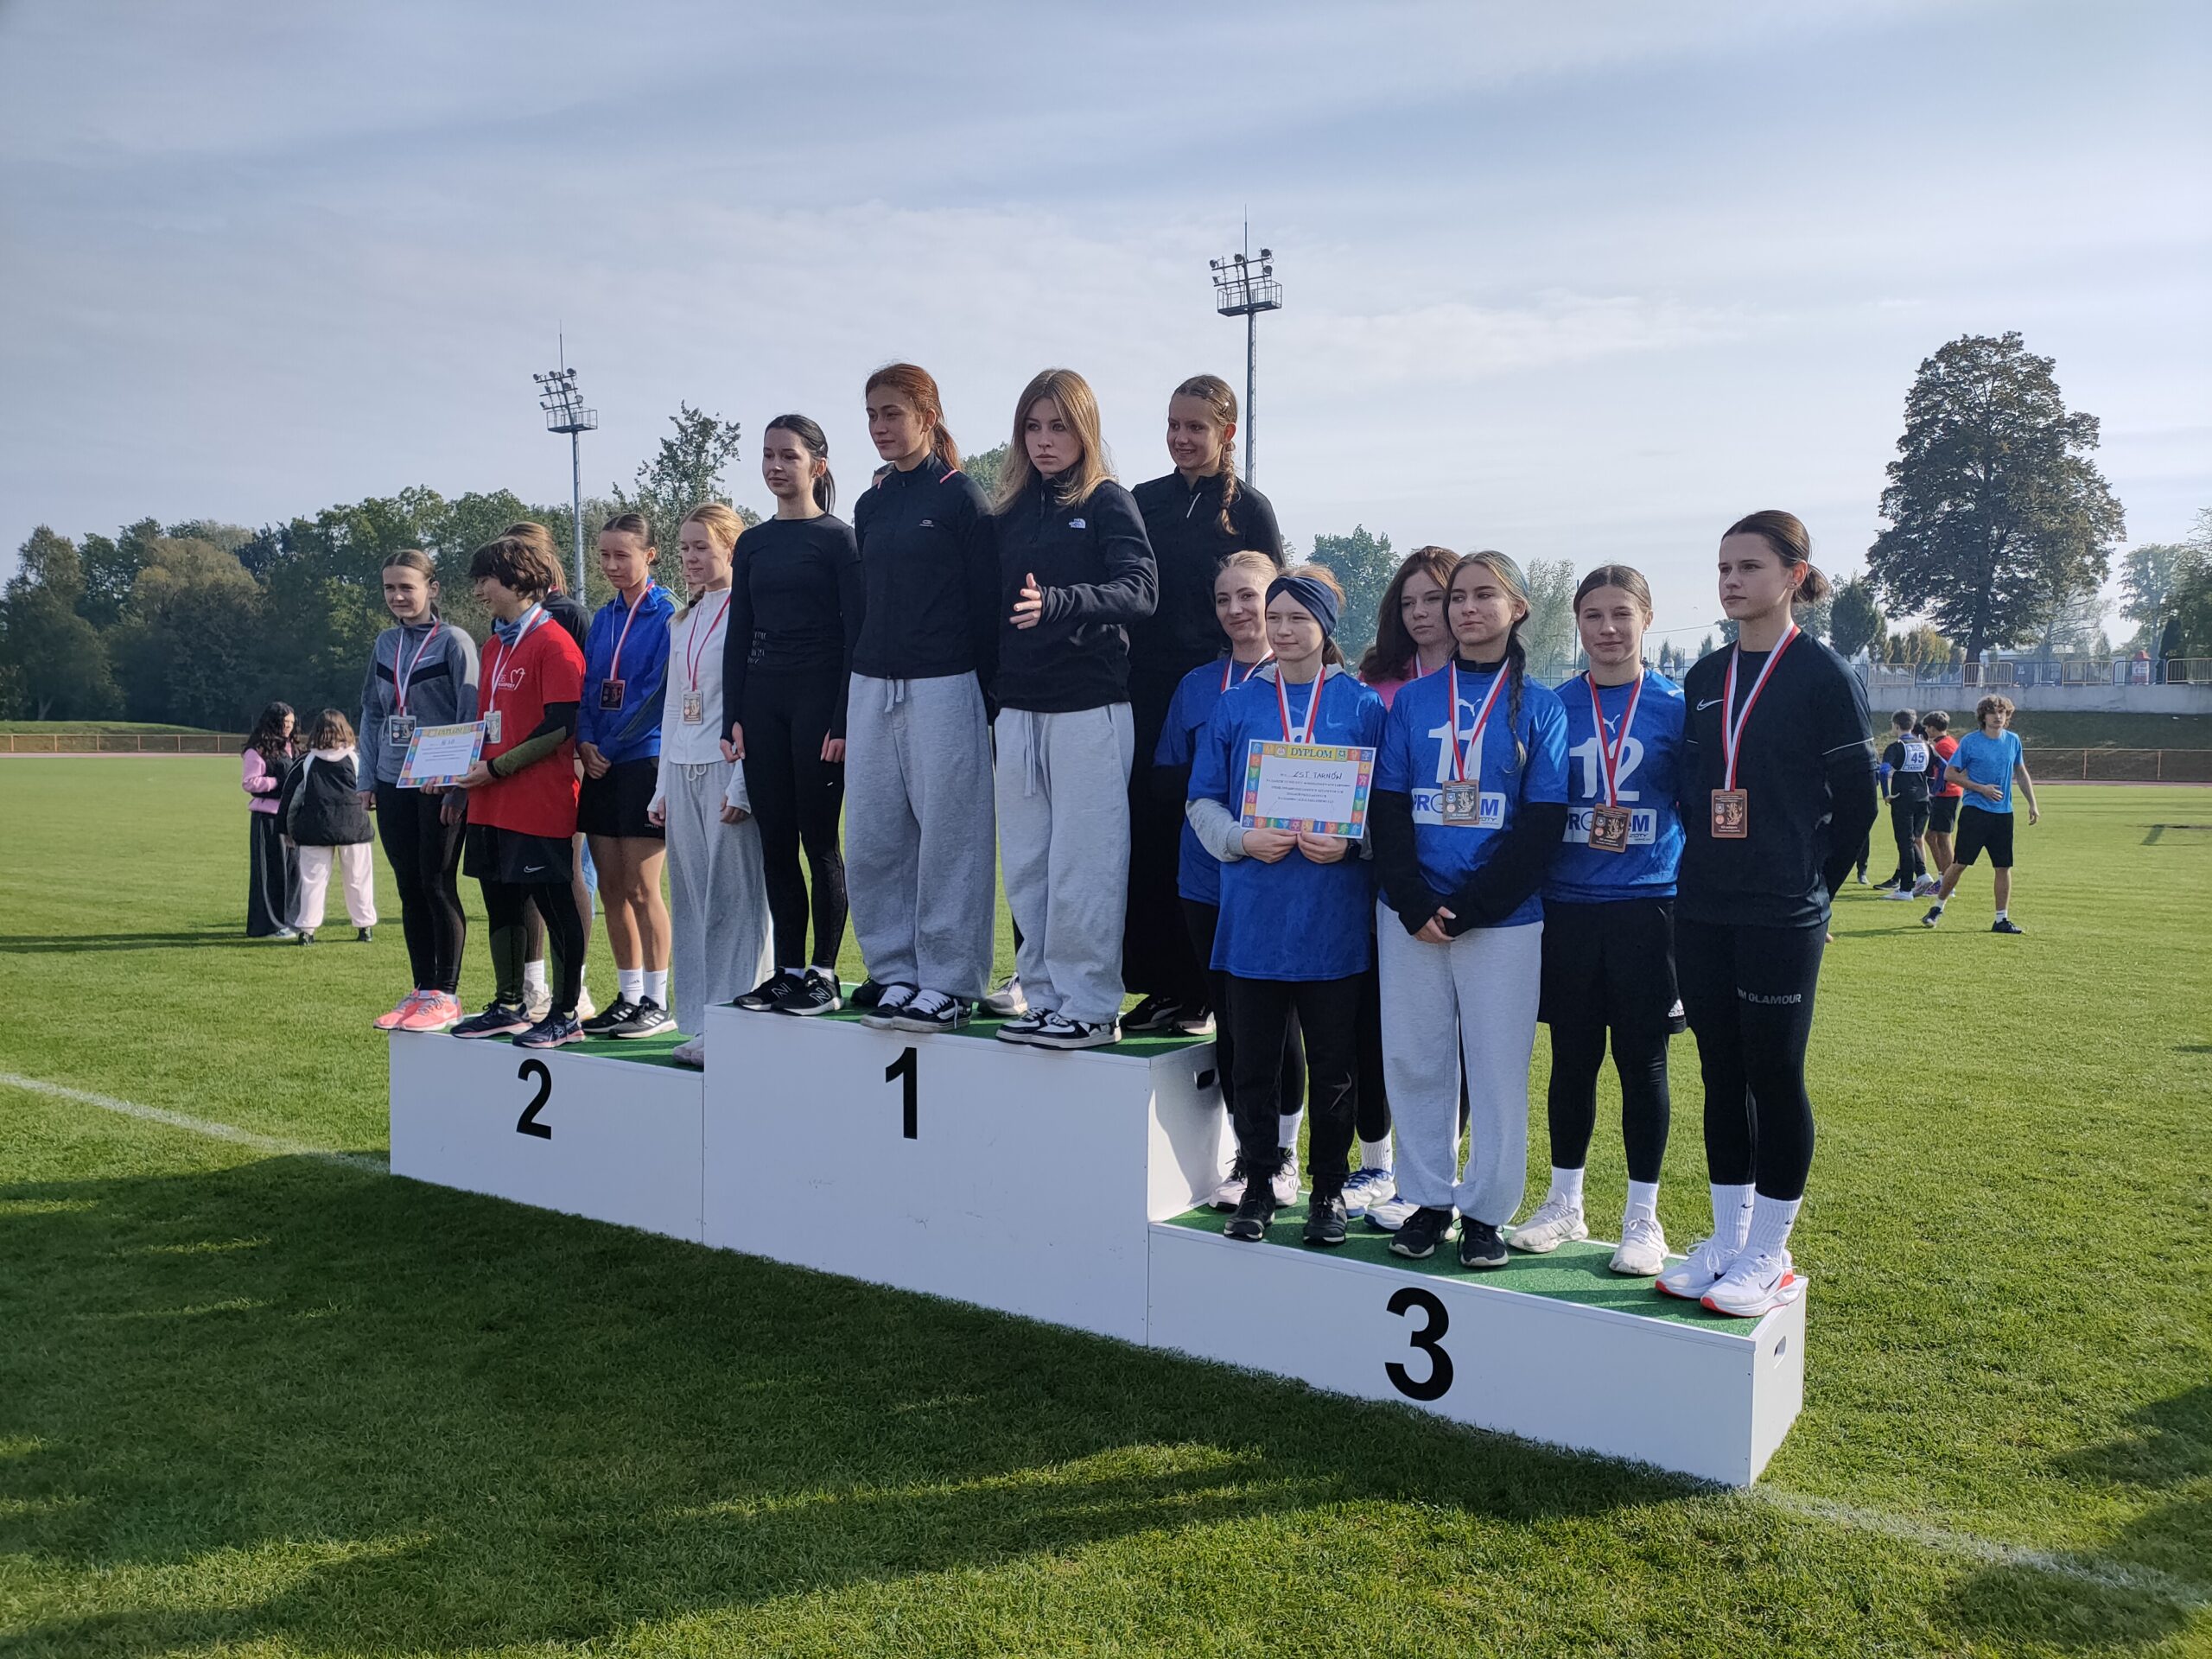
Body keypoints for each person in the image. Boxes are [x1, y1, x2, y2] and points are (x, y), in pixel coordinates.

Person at [1664, 510, 1877, 1316]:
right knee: (1721, 1073)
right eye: (1724, 567)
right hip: (1703, 906)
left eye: (1749, 567)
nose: (1731, 581)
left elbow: (1858, 805)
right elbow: (1692, 792)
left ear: (1795, 576)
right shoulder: (1703, 678)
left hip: (1782, 913)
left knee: (1774, 1076)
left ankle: (1770, 1252)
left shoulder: (1824, 675)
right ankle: (1729, 1239)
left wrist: (1813, 890)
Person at [1370, 551, 1570, 1268]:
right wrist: (1414, 900)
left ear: (1518, 608)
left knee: (1496, 1069)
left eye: (1484, 596)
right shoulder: (1414, 701)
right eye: (1458, 597)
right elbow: (1387, 807)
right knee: (1416, 1060)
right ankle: (1427, 1199)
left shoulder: (1542, 706)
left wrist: (1473, 906)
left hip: (1502, 920)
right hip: (1411, 915)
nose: (1466, 609)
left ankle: (1486, 1212)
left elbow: (1543, 826)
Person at [1186, 565, 1385, 1243]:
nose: (1283, 630)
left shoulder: (1362, 707)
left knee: (1334, 1069)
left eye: (1298, 618)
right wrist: (1240, 839)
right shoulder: (1237, 705)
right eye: (1275, 618)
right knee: (1254, 1066)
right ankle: (1259, 1187)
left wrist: (1354, 844)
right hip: (1255, 919)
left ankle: (1328, 1191)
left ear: (1325, 627)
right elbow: (1201, 799)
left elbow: (1386, 808)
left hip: (1332, 922)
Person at [1515, 565, 1685, 1276]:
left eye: (1622, 614)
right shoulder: (1553, 705)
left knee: (1643, 1062)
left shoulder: (1676, 708)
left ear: (1647, 618)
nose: (1608, 629)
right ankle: (1565, 1202)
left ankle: (1643, 1218)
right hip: (1568, 906)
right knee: (1572, 1059)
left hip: (1649, 904)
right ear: (1577, 623)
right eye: (1593, 615)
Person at [988, 368, 1159, 1050]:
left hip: (1091, 709)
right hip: (1017, 711)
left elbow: (1141, 590)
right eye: (1033, 426)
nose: (1044, 440)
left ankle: (1089, 1007)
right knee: (1028, 867)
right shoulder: (1008, 512)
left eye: (1058, 426)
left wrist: (1060, 603)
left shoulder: (1109, 500)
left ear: (1085, 430)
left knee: (1083, 868)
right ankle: (1045, 999)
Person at [1124, 374, 1286, 1036]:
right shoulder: (1141, 500)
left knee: (1217, 833)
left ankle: (1208, 990)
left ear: (1227, 432)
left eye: (1195, 427)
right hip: (1149, 691)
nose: (1181, 438)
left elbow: (1276, 600)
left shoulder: (1250, 510)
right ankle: (1161, 986)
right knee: (1152, 837)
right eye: (1172, 425)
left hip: (1225, 691)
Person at [844, 363, 1000, 1033]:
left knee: (950, 839)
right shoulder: (871, 503)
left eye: (892, 414)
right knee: (872, 837)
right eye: (871, 415)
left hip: (945, 684)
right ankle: (895, 972)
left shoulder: (962, 498)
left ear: (927, 418)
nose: (879, 427)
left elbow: (987, 606)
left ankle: (949, 982)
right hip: (871, 685)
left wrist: (990, 700)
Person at [1154, 550, 1307, 1211]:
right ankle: (1248, 1155)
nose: (1238, 610)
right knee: (1234, 1026)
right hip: (1206, 880)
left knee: (1280, 1024)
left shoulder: (1308, 686)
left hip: (1281, 881)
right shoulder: (1197, 686)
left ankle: (1283, 1154)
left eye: (1251, 597)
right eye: (1225, 599)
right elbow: (1170, 778)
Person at [726, 416, 863, 1018]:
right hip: (762, 704)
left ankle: (824, 975)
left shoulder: (839, 540)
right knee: (775, 844)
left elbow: (855, 635)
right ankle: (785, 973)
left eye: (788, 456)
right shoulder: (752, 543)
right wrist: (733, 714)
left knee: (819, 842)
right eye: (768, 456)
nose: (776, 466)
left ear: (817, 466)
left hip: (819, 704)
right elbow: (739, 632)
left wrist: (842, 718)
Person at [1350, 544, 1461, 1227]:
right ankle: (1385, 1167)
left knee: (1461, 1039)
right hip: (1387, 880)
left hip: (1468, 888)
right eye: (1408, 602)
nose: (1420, 614)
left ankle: (1440, 1177)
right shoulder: (1378, 685)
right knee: (1389, 1029)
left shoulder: (1495, 683)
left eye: (1434, 599)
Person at [449, 536, 590, 1048]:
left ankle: (566, 1013)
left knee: (555, 906)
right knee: (501, 902)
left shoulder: (555, 643)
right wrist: (453, 768)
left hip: (537, 803)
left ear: (516, 580)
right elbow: (488, 724)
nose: (479, 590)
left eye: (485, 580)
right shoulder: (494, 645)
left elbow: (560, 727)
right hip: (490, 801)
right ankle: (509, 1005)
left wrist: (497, 768)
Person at [650, 505, 774, 1066]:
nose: (690, 558)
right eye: (684, 548)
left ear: (731, 548)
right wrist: (661, 786)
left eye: (701, 546)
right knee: (693, 905)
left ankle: (736, 1020)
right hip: (682, 769)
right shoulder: (681, 622)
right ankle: (700, 1021)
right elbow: (674, 704)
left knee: (735, 902)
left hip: (728, 769)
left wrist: (744, 783)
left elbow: (755, 704)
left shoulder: (749, 614)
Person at [359, 549, 478, 1032]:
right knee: (409, 885)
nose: (398, 596)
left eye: (407, 587)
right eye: (389, 588)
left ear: (432, 588)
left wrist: (458, 787)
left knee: (436, 883)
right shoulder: (385, 643)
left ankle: (446, 993)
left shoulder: (455, 642)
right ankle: (422, 989)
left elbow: (469, 715)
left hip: (437, 784)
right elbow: (372, 712)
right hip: (392, 780)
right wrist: (367, 778)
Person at [575, 512, 677, 1038]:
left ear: (649, 555)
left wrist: (609, 746)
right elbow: (587, 685)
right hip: (600, 761)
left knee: (642, 886)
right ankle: (629, 995)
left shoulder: (668, 613)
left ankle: (658, 1001)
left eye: (622, 555)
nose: (612, 565)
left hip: (643, 758)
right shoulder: (603, 617)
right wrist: (585, 740)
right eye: (604, 555)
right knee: (611, 888)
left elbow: (658, 692)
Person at [503, 521, 598, 1022]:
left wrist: (580, 755)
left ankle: (574, 988)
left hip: (564, 765)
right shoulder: (503, 624)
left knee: (569, 872)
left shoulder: (568, 616)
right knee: (523, 879)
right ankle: (533, 985)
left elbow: (583, 693)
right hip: (515, 769)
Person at [1922, 695, 2039, 933]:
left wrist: (2032, 804)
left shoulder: (2013, 740)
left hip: (2003, 813)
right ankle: (1937, 907)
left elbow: (2020, 771)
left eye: (2002, 712)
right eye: (1993, 712)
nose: (1998, 717)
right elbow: (1950, 774)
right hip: (1975, 812)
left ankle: (2001, 919)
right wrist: (1980, 788)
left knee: (2003, 866)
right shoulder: (1971, 742)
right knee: (1960, 864)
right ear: (1983, 716)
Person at [276, 709, 378, 944]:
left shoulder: (307, 761)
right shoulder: (356, 759)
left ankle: (307, 930)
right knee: (358, 879)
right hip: (353, 827)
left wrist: (287, 830)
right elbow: (369, 791)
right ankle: (364, 927)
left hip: (315, 828)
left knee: (313, 882)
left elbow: (291, 799)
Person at [240, 702, 300, 938]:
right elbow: (249, 782)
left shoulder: (291, 747)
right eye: (285, 723)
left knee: (293, 871)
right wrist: (277, 782)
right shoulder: (257, 750)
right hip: (268, 819)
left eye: (291, 723)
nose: (288, 727)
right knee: (272, 872)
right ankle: (270, 924)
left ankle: (290, 918)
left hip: (290, 817)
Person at [1877, 709, 1933, 899]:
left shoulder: (1897, 746)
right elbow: (1942, 765)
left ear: (1896, 725)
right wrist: (1935, 788)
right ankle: (1922, 875)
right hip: (1923, 797)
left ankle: (1906, 889)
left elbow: (1884, 770)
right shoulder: (1925, 745)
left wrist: (1886, 794)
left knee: (1904, 842)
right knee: (1911, 839)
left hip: (1903, 798)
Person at [1921, 709, 1961, 887]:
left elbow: (1949, 769)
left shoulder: (1943, 746)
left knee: (1943, 838)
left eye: (1927, 727)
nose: (1926, 731)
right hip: (1945, 794)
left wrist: (1935, 789)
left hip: (1947, 794)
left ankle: (1947, 882)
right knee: (1931, 836)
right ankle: (1943, 877)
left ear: (1932, 728)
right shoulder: (1947, 742)